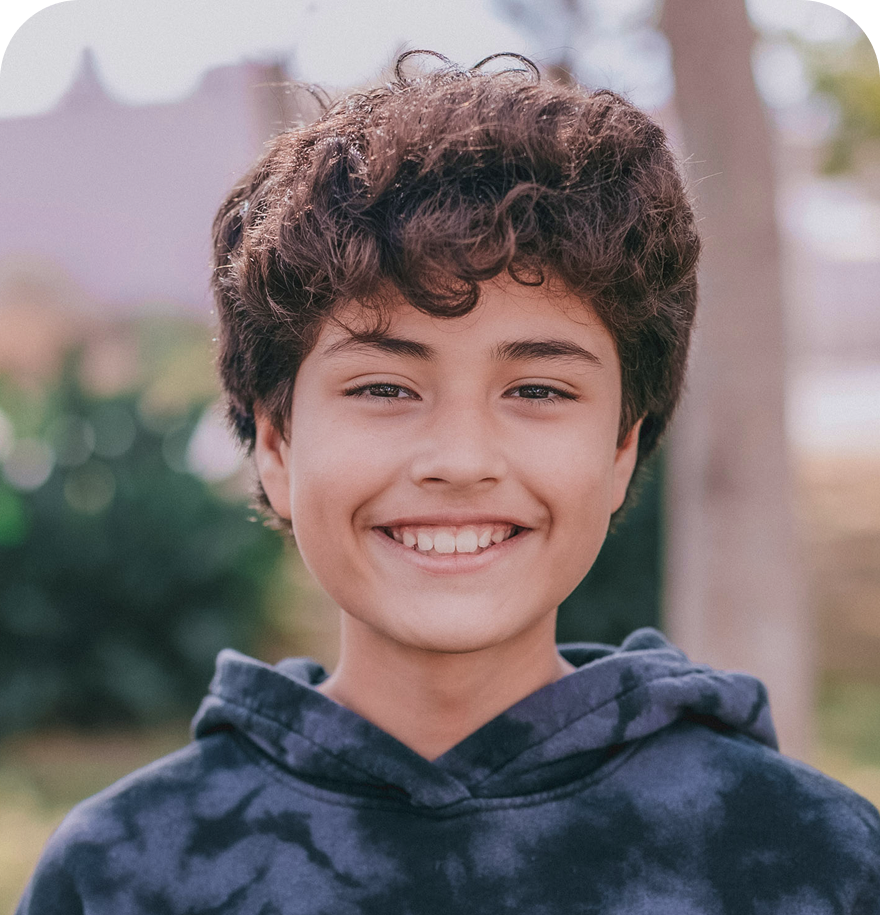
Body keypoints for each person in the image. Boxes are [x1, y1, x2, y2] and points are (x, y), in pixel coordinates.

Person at [17, 51, 880, 914]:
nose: (461, 458)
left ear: (622, 448)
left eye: (537, 389)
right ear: (275, 447)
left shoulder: (806, 856)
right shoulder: (124, 873)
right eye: (384, 388)